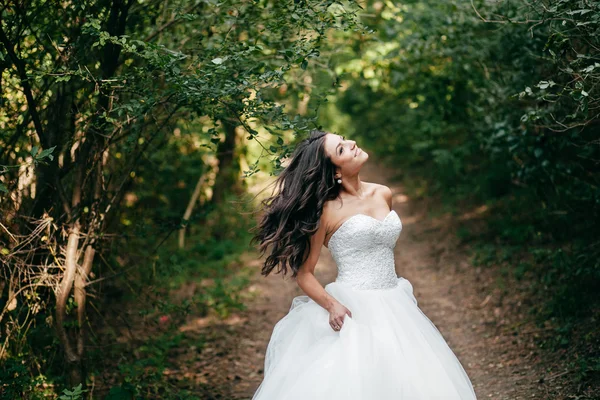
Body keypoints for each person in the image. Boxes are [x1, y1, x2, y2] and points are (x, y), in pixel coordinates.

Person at [249, 129, 477, 399]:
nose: (352, 143)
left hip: (396, 302)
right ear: (334, 171)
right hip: (354, 308)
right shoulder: (327, 211)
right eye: (342, 149)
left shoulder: (383, 193)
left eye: (345, 140)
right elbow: (304, 274)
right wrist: (332, 306)